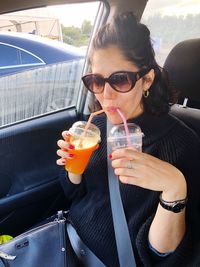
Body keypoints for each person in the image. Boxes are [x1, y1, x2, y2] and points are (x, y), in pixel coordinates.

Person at [56, 12, 200, 267]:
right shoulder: (95, 127)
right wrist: (73, 168)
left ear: (147, 79)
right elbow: (75, 195)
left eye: (120, 79)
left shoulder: (183, 145)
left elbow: (164, 257)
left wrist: (174, 188)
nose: (106, 96)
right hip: (65, 240)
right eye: (97, 81)